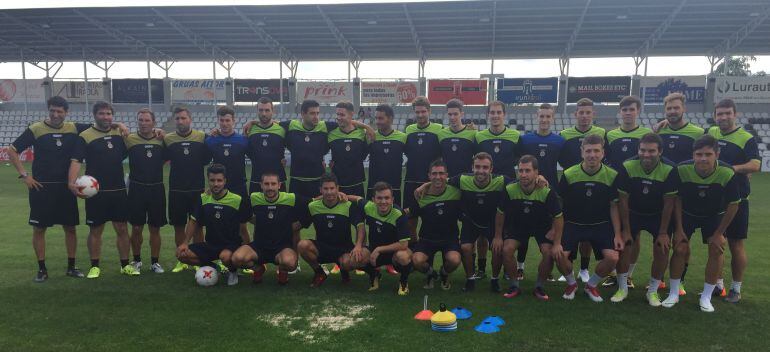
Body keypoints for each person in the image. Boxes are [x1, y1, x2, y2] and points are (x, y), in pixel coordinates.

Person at [8, 96, 89, 281]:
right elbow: (12, 150)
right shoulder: (36, 129)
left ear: (66, 113)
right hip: (41, 188)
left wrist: (120, 125)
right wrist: (24, 175)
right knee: (39, 229)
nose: (55, 114)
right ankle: (42, 270)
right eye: (52, 110)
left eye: (59, 111)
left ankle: (71, 267)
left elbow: (101, 125)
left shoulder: (74, 128)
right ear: (48, 110)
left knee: (70, 228)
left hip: (66, 188)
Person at [662, 135, 740, 312]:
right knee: (680, 247)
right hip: (687, 214)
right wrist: (680, 229)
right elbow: (677, 199)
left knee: (716, 248)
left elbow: (733, 205)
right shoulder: (682, 169)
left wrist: (719, 233)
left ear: (716, 154)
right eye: (699, 154)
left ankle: (706, 297)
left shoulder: (727, 172)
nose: (703, 158)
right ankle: (673, 293)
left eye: (708, 154)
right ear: (693, 154)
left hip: (713, 216)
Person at [68, 101, 136, 278]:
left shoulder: (119, 133)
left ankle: (125, 265)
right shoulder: (85, 135)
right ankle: (95, 266)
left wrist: (120, 125)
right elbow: (76, 161)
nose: (105, 117)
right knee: (96, 230)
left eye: (108, 114)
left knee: (122, 228)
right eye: (101, 114)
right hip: (95, 192)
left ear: (112, 116)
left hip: (118, 190)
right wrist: (71, 182)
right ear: (94, 115)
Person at [554, 134, 623, 302]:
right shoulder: (569, 173)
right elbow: (559, 203)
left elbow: (614, 206)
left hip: (600, 224)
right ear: (582, 152)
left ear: (603, 153)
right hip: (573, 223)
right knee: (558, 254)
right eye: (588, 151)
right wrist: (554, 229)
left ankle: (591, 285)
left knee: (613, 258)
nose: (592, 154)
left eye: (596, 151)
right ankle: (571, 283)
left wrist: (618, 234)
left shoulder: (612, 175)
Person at [613, 133, 678, 305]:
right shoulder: (627, 165)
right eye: (643, 150)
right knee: (625, 245)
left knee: (662, 248)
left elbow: (669, 204)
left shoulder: (670, 169)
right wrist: (626, 230)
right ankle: (622, 288)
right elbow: (623, 200)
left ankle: (653, 291)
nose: (646, 154)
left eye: (651, 151)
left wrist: (664, 232)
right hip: (633, 212)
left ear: (660, 151)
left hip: (657, 215)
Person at [707, 98, 760, 303]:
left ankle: (735, 289)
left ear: (735, 114)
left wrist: (734, 169)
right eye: (720, 114)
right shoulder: (711, 133)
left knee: (736, 244)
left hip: (737, 198)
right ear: (715, 116)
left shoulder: (746, 138)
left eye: (727, 113)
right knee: (716, 242)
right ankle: (717, 285)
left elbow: (755, 165)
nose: (723, 117)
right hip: (716, 199)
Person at [655, 92, 706, 295]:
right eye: (669, 108)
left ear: (684, 109)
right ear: (665, 110)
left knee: (683, 239)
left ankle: (680, 280)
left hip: (686, 195)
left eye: (676, 108)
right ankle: (658, 279)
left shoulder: (698, 132)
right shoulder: (660, 131)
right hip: (664, 193)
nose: (673, 112)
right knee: (662, 237)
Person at [494, 155, 563, 300]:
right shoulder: (510, 189)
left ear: (536, 172)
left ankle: (539, 287)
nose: (523, 174)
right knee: (506, 249)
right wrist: (498, 236)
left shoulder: (546, 190)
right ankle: (514, 285)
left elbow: (558, 216)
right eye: (521, 171)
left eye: (527, 170)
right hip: (518, 226)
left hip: (541, 227)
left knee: (549, 252)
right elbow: (500, 213)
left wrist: (556, 242)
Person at [602, 96, 652, 288]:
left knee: (634, 233)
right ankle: (616, 273)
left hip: (637, 190)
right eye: (624, 110)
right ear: (620, 112)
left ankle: (628, 275)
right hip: (615, 187)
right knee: (615, 230)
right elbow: (606, 159)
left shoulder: (646, 133)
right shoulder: (612, 135)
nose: (628, 113)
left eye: (631, 109)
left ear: (638, 111)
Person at [176, 164, 251, 286]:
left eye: (219, 180)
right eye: (212, 180)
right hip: (211, 244)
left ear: (225, 181)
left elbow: (243, 227)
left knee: (225, 256)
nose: (216, 184)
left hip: (230, 245)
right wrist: (185, 243)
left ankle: (232, 272)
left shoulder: (237, 200)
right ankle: (217, 268)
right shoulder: (204, 198)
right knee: (181, 254)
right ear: (208, 180)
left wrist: (248, 248)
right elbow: (193, 221)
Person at [559, 98, 607, 283]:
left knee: (587, 232)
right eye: (581, 112)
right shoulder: (565, 134)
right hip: (572, 184)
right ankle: (568, 267)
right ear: (575, 114)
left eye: (588, 112)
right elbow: (562, 158)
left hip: (595, 186)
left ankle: (585, 269)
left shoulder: (602, 133)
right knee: (571, 226)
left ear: (593, 114)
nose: (585, 116)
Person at [231, 172, 308, 285]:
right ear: (261, 185)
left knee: (290, 263)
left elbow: (313, 204)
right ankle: (258, 269)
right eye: (266, 184)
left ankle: (282, 271)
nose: (270, 187)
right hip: (259, 246)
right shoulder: (254, 198)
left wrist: (299, 224)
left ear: (279, 185)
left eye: (273, 184)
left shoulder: (290, 198)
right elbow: (240, 209)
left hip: (282, 247)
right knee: (236, 259)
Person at [297, 173, 369, 287]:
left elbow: (360, 226)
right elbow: (300, 224)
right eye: (326, 188)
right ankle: (319, 273)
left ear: (338, 189)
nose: (329, 192)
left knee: (348, 262)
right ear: (320, 190)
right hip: (322, 248)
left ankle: (345, 271)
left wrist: (358, 245)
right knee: (302, 245)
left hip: (344, 248)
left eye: (332, 188)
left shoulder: (348, 205)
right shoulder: (313, 206)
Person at [165, 106, 211, 273]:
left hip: (197, 191)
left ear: (190, 119)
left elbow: (208, 161)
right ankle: (182, 259)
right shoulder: (168, 139)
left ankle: (199, 257)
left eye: (183, 118)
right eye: (177, 118)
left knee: (198, 226)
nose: (180, 121)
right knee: (178, 226)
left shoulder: (202, 138)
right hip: (176, 191)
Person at [348, 182, 413, 295]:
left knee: (403, 256)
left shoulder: (399, 214)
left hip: (395, 252)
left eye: (387, 198)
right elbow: (357, 199)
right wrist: (339, 195)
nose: (383, 201)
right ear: (373, 199)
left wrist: (379, 249)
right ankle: (374, 275)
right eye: (379, 198)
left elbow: (404, 245)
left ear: (392, 199)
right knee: (353, 259)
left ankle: (403, 282)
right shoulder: (369, 207)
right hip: (374, 252)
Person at [410, 160, 462, 291]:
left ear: (447, 175)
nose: (438, 177)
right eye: (434, 174)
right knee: (417, 260)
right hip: (427, 239)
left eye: (441, 173)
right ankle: (431, 274)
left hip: (450, 239)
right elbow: (411, 214)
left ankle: (444, 273)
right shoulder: (421, 195)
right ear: (429, 175)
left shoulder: (456, 192)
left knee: (455, 260)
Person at [126, 108, 167, 274]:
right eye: (141, 120)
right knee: (136, 228)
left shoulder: (162, 140)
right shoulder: (129, 139)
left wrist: (163, 133)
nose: (143, 123)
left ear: (154, 123)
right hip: (137, 188)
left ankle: (155, 262)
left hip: (157, 188)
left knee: (155, 228)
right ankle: (136, 261)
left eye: (147, 120)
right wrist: (119, 124)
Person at [403, 96, 443, 238]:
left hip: (430, 183)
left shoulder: (439, 129)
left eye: (423, 111)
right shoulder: (409, 129)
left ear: (429, 111)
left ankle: (428, 252)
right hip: (411, 182)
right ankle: (413, 252)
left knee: (431, 220)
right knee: (410, 221)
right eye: (417, 112)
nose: (420, 115)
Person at [327, 101, 375, 197]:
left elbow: (364, 154)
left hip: (357, 183)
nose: (339, 118)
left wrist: (367, 127)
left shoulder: (361, 133)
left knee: (357, 211)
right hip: (337, 185)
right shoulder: (331, 133)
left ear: (351, 114)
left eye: (342, 115)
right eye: (337, 114)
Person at [245, 97, 287, 194]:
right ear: (257, 111)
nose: (264, 113)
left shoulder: (282, 129)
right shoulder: (250, 129)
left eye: (267, 110)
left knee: (281, 208)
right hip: (256, 179)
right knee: (255, 208)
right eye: (261, 110)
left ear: (273, 111)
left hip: (278, 181)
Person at [367, 104, 406, 206]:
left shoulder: (402, 137)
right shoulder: (371, 137)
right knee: (372, 218)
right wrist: (366, 126)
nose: (377, 121)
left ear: (390, 119)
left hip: (394, 188)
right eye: (376, 118)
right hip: (374, 187)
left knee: (394, 218)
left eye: (381, 118)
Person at [439, 99, 476, 177]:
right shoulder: (441, 134)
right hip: (447, 180)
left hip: (466, 179)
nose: (452, 117)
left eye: (455, 114)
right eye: (450, 114)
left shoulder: (473, 133)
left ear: (461, 114)